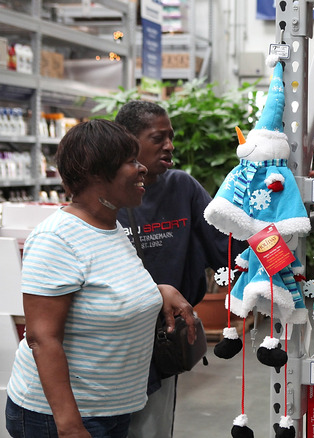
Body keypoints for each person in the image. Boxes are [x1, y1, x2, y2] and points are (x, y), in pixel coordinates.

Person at [4, 119, 196, 438]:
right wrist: (70, 427)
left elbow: (105, 288)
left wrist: (159, 290)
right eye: (130, 161)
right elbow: (42, 337)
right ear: (96, 173)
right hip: (61, 419)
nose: (142, 169)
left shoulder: (111, 227)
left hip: (111, 409)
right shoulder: (57, 238)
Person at [114, 100, 238, 438]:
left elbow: (227, 247)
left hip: (162, 339)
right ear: (127, 140)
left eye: (170, 137)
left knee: (151, 427)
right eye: (158, 138)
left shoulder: (182, 187)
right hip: (111, 341)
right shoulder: (105, 195)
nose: (169, 146)